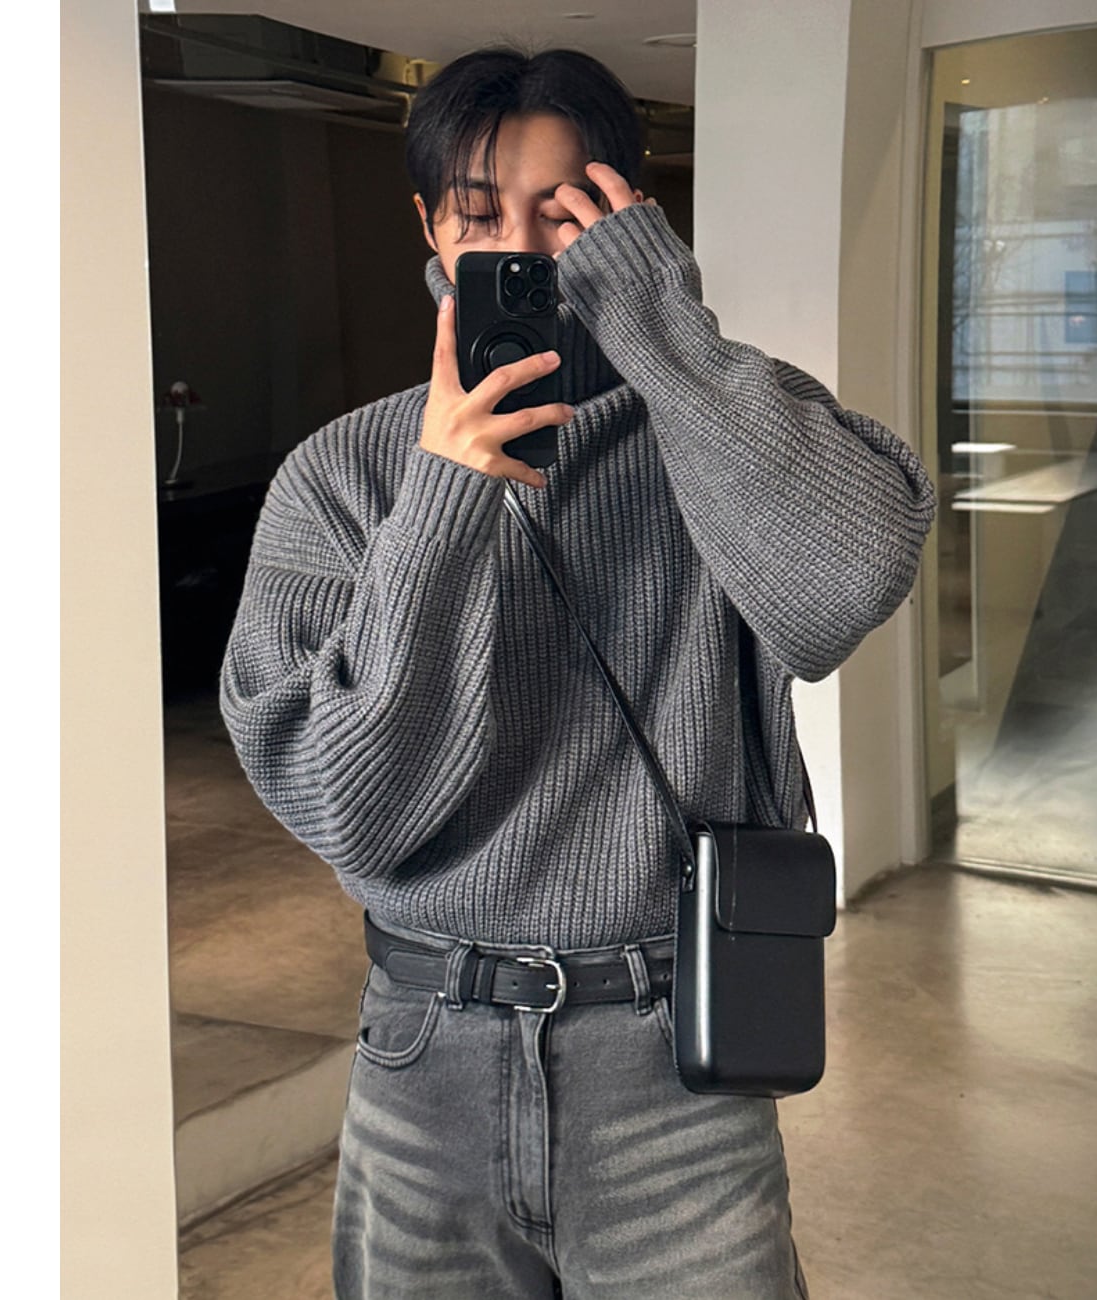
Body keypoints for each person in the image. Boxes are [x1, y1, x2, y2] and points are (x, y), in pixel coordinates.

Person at [220, 44, 935, 1300]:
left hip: (673, 1054)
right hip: (424, 1056)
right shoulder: (343, 476)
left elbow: (840, 592)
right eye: (479, 212)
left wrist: (655, 318)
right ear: (428, 226)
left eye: (563, 212)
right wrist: (443, 499)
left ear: (628, 212)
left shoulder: (719, 429)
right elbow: (349, 807)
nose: (523, 249)